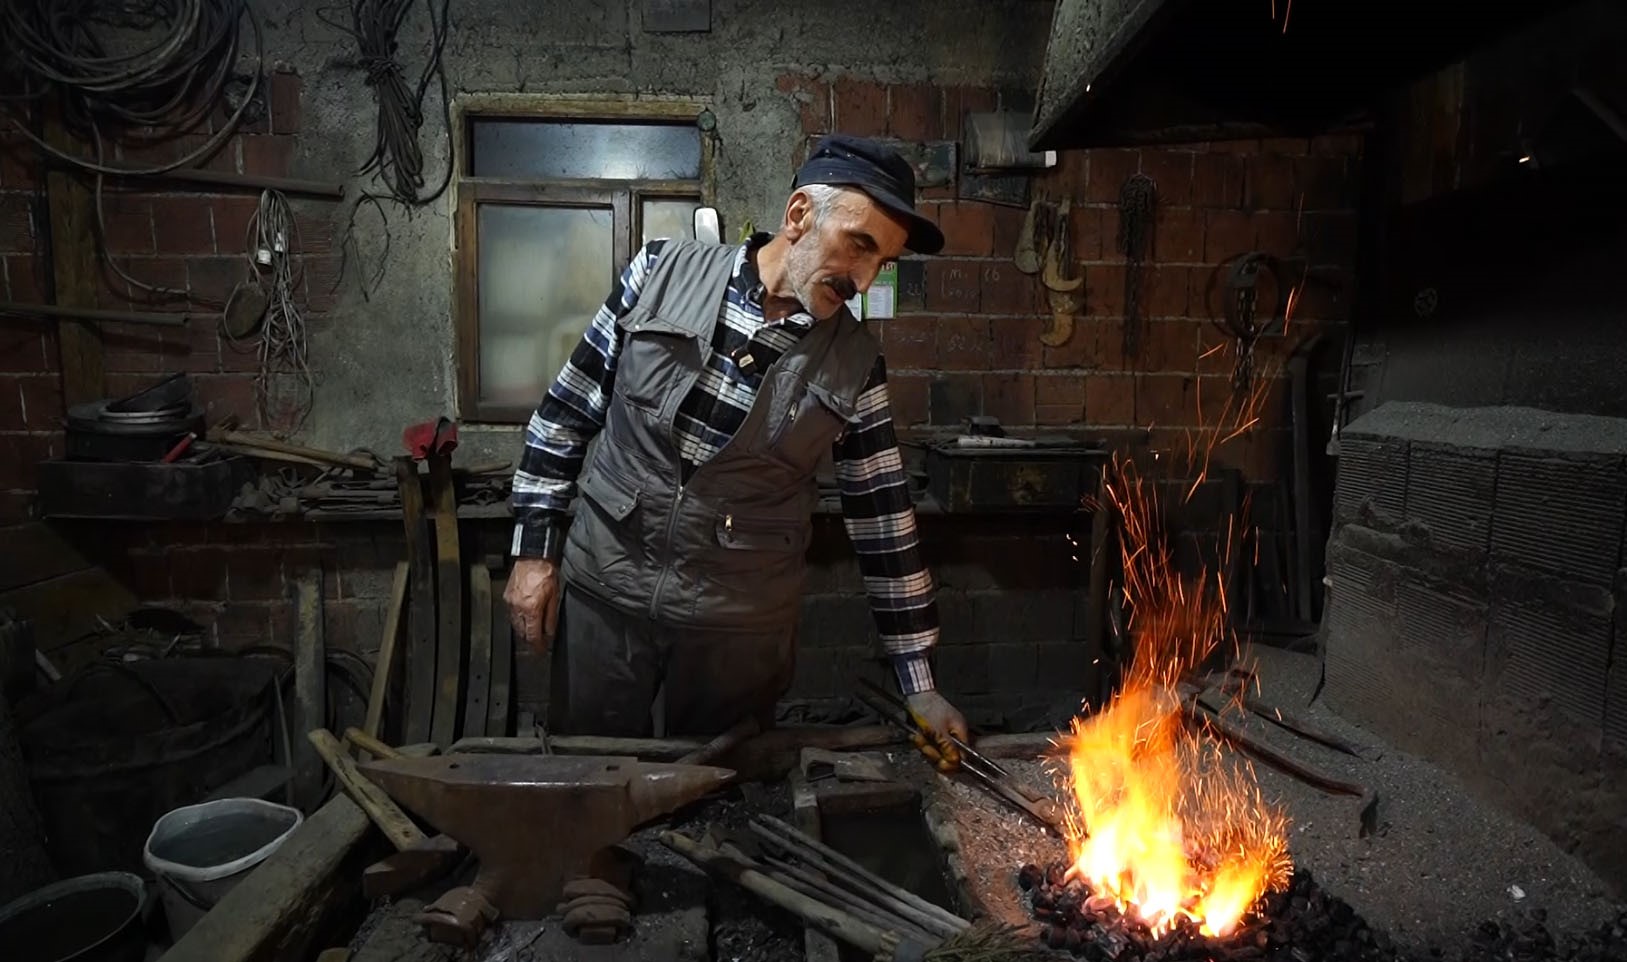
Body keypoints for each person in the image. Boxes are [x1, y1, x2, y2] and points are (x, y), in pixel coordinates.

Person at [503, 134, 969, 746]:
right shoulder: (659, 273)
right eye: (858, 245)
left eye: (881, 262)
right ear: (799, 215)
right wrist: (533, 551)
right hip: (607, 591)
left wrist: (920, 683)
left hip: (737, 629)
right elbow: (565, 413)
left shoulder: (856, 363)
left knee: (721, 804)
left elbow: (883, 520)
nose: (862, 278)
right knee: (590, 782)